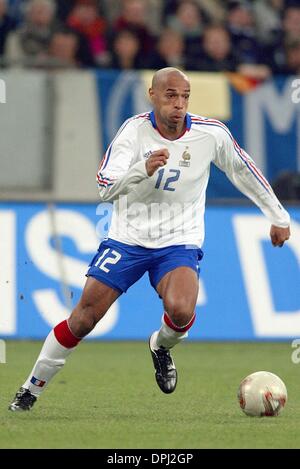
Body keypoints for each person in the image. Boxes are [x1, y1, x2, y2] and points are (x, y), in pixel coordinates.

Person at [9, 67, 290, 411]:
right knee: (83, 319)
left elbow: (243, 169)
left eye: (184, 96)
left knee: (182, 310)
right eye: (171, 95)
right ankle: (30, 390)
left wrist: (277, 216)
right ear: (153, 95)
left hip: (178, 240)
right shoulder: (133, 132)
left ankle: (161, 346)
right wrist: (141, 169)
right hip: (128, 239)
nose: (179, 104)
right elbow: (104, 188)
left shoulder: (210, 134)